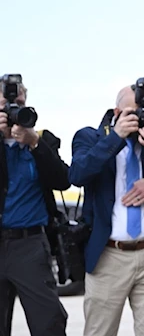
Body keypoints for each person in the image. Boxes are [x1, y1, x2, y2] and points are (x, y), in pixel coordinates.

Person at [69, 85, 144, 336]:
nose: (140, 118)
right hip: (109, 255)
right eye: (133, 112)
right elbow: (78, 174)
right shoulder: (90, 137)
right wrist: (115, 138)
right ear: (117, 112)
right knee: (99, 332)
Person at [0, 76, 69, 336]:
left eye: (18, 103)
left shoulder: (43, 141)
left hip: (30, 244)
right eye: (7, 103)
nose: (12, 109)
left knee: (48, 323)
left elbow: (63, 180)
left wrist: (34, 144)